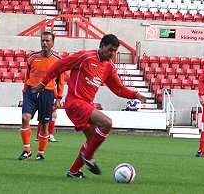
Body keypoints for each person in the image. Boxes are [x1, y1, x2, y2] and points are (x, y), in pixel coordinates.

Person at [32, 34, 147, 178]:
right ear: (102, 46)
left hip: (86, 105)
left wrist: (135, 94)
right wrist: (44, 83)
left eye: (115, 51)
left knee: (91, 140)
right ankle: (88, 156)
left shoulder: (109, 67)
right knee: (107, 123)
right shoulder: (85, 57)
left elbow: (118, 89)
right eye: (110, 50)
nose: (112, 54)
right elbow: (60, 65)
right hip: (75, 103)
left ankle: (73, 171)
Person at [18, 31, 64, 161]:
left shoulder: (58, 60)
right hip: (31, 92)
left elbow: (60, 80)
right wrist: (25, 89)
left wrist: (59, 97)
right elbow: (28, 74)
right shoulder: (32, 57)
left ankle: (40, 153)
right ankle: (27, 150)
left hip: (47, 93)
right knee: (25, 118)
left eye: (47, 41)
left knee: (44, 125)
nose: (44, 43)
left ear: (52, 43)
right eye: (42, 40)